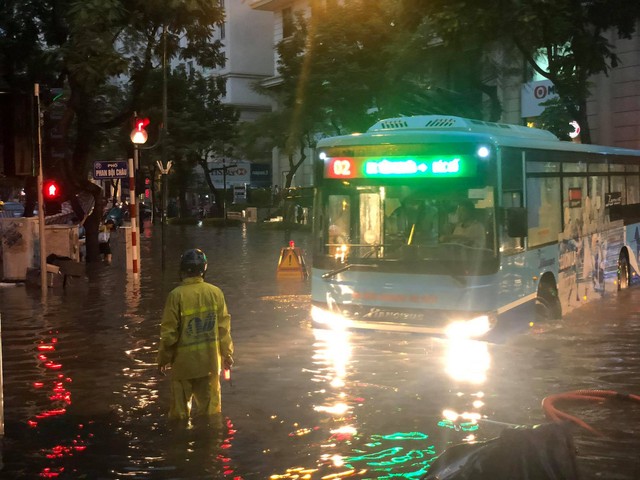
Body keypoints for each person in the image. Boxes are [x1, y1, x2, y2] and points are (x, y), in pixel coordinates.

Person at [158, 248, 234, 424]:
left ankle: (182, 447)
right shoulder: (216, 293)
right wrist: (227, 356)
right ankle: (210, 447)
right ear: (204, 269)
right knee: (212, 416)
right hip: (210, 364)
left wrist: (162, 360)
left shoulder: (175, 296)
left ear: (183, 270)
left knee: (179, 417)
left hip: (183, 366)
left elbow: (169, 334)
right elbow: (224, 329)